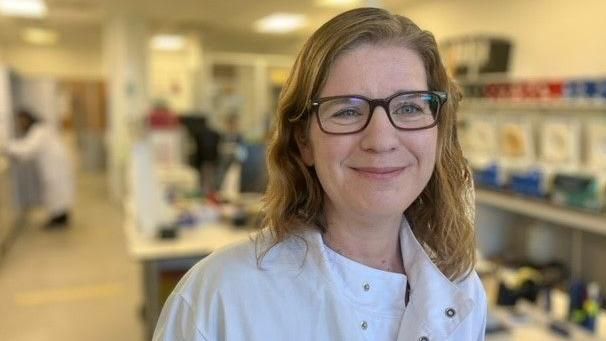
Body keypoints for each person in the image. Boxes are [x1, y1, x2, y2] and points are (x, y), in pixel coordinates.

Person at [154, 7, 486, 341]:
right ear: (303, 142)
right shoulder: (216, 298)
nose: (381, 140)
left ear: (439, 130)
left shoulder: (461, 289)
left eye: (410, 107)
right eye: (347, 111)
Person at [1, 109, 75, 228]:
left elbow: (28, 148)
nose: (20, 124)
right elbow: (27, 148)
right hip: (54, 165)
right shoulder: (40, 129)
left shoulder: (38, 131)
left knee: (56, 191)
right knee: (57, 191)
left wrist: (5, 147)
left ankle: (59, 218)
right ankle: (59, 217)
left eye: (21, 121)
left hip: (54, 166)